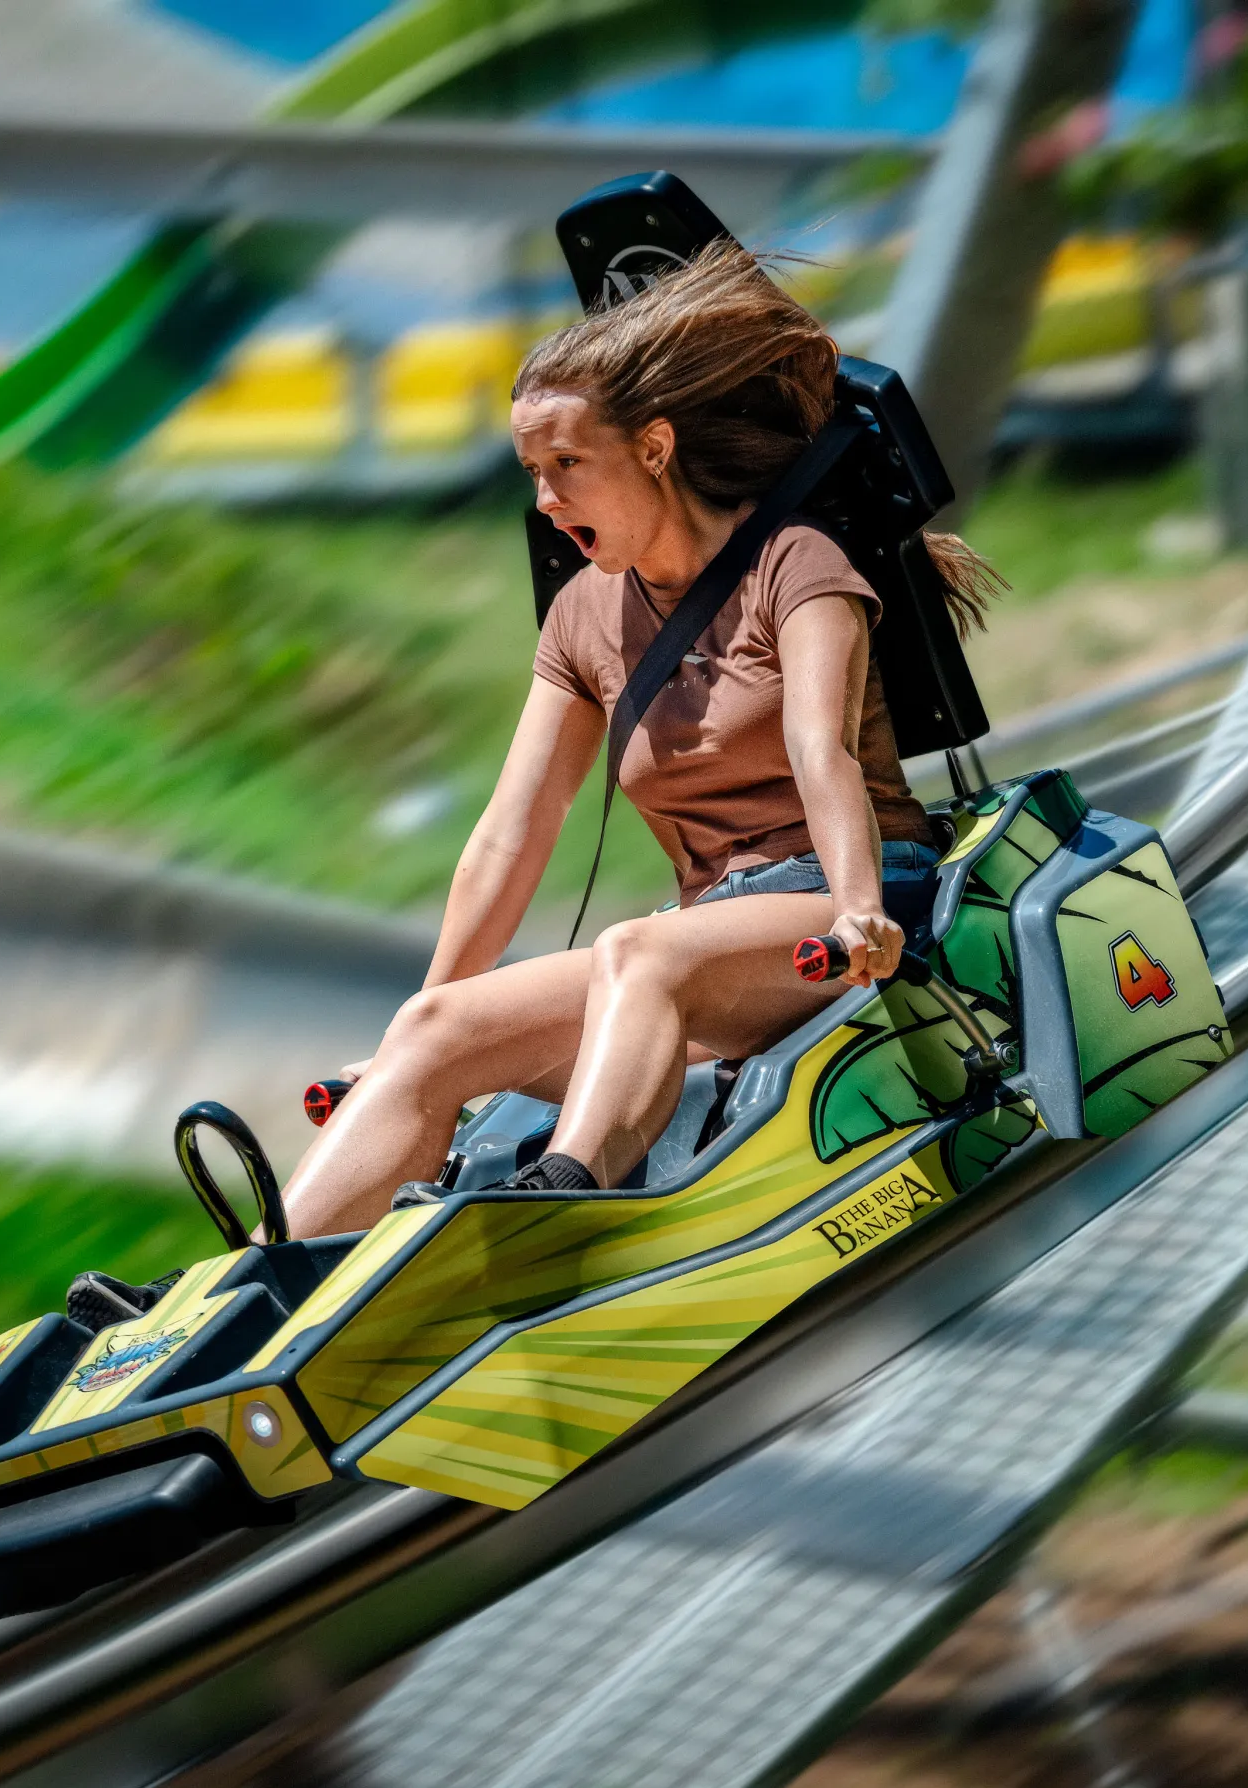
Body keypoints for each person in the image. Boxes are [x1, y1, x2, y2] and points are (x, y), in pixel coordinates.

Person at [281, 243, 1000, 1237]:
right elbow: (513, 829)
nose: (545, 501)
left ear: (655, 449)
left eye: (567, 466)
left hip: (835, 908)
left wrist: (861, 911)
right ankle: (256, 1282)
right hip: (696, 939)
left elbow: (819, 751)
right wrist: (421, 1021)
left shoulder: (798, 565)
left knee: (638, 951)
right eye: (533, 472)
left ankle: (568, 1202)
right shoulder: (582, 616)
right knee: (434, 1027)